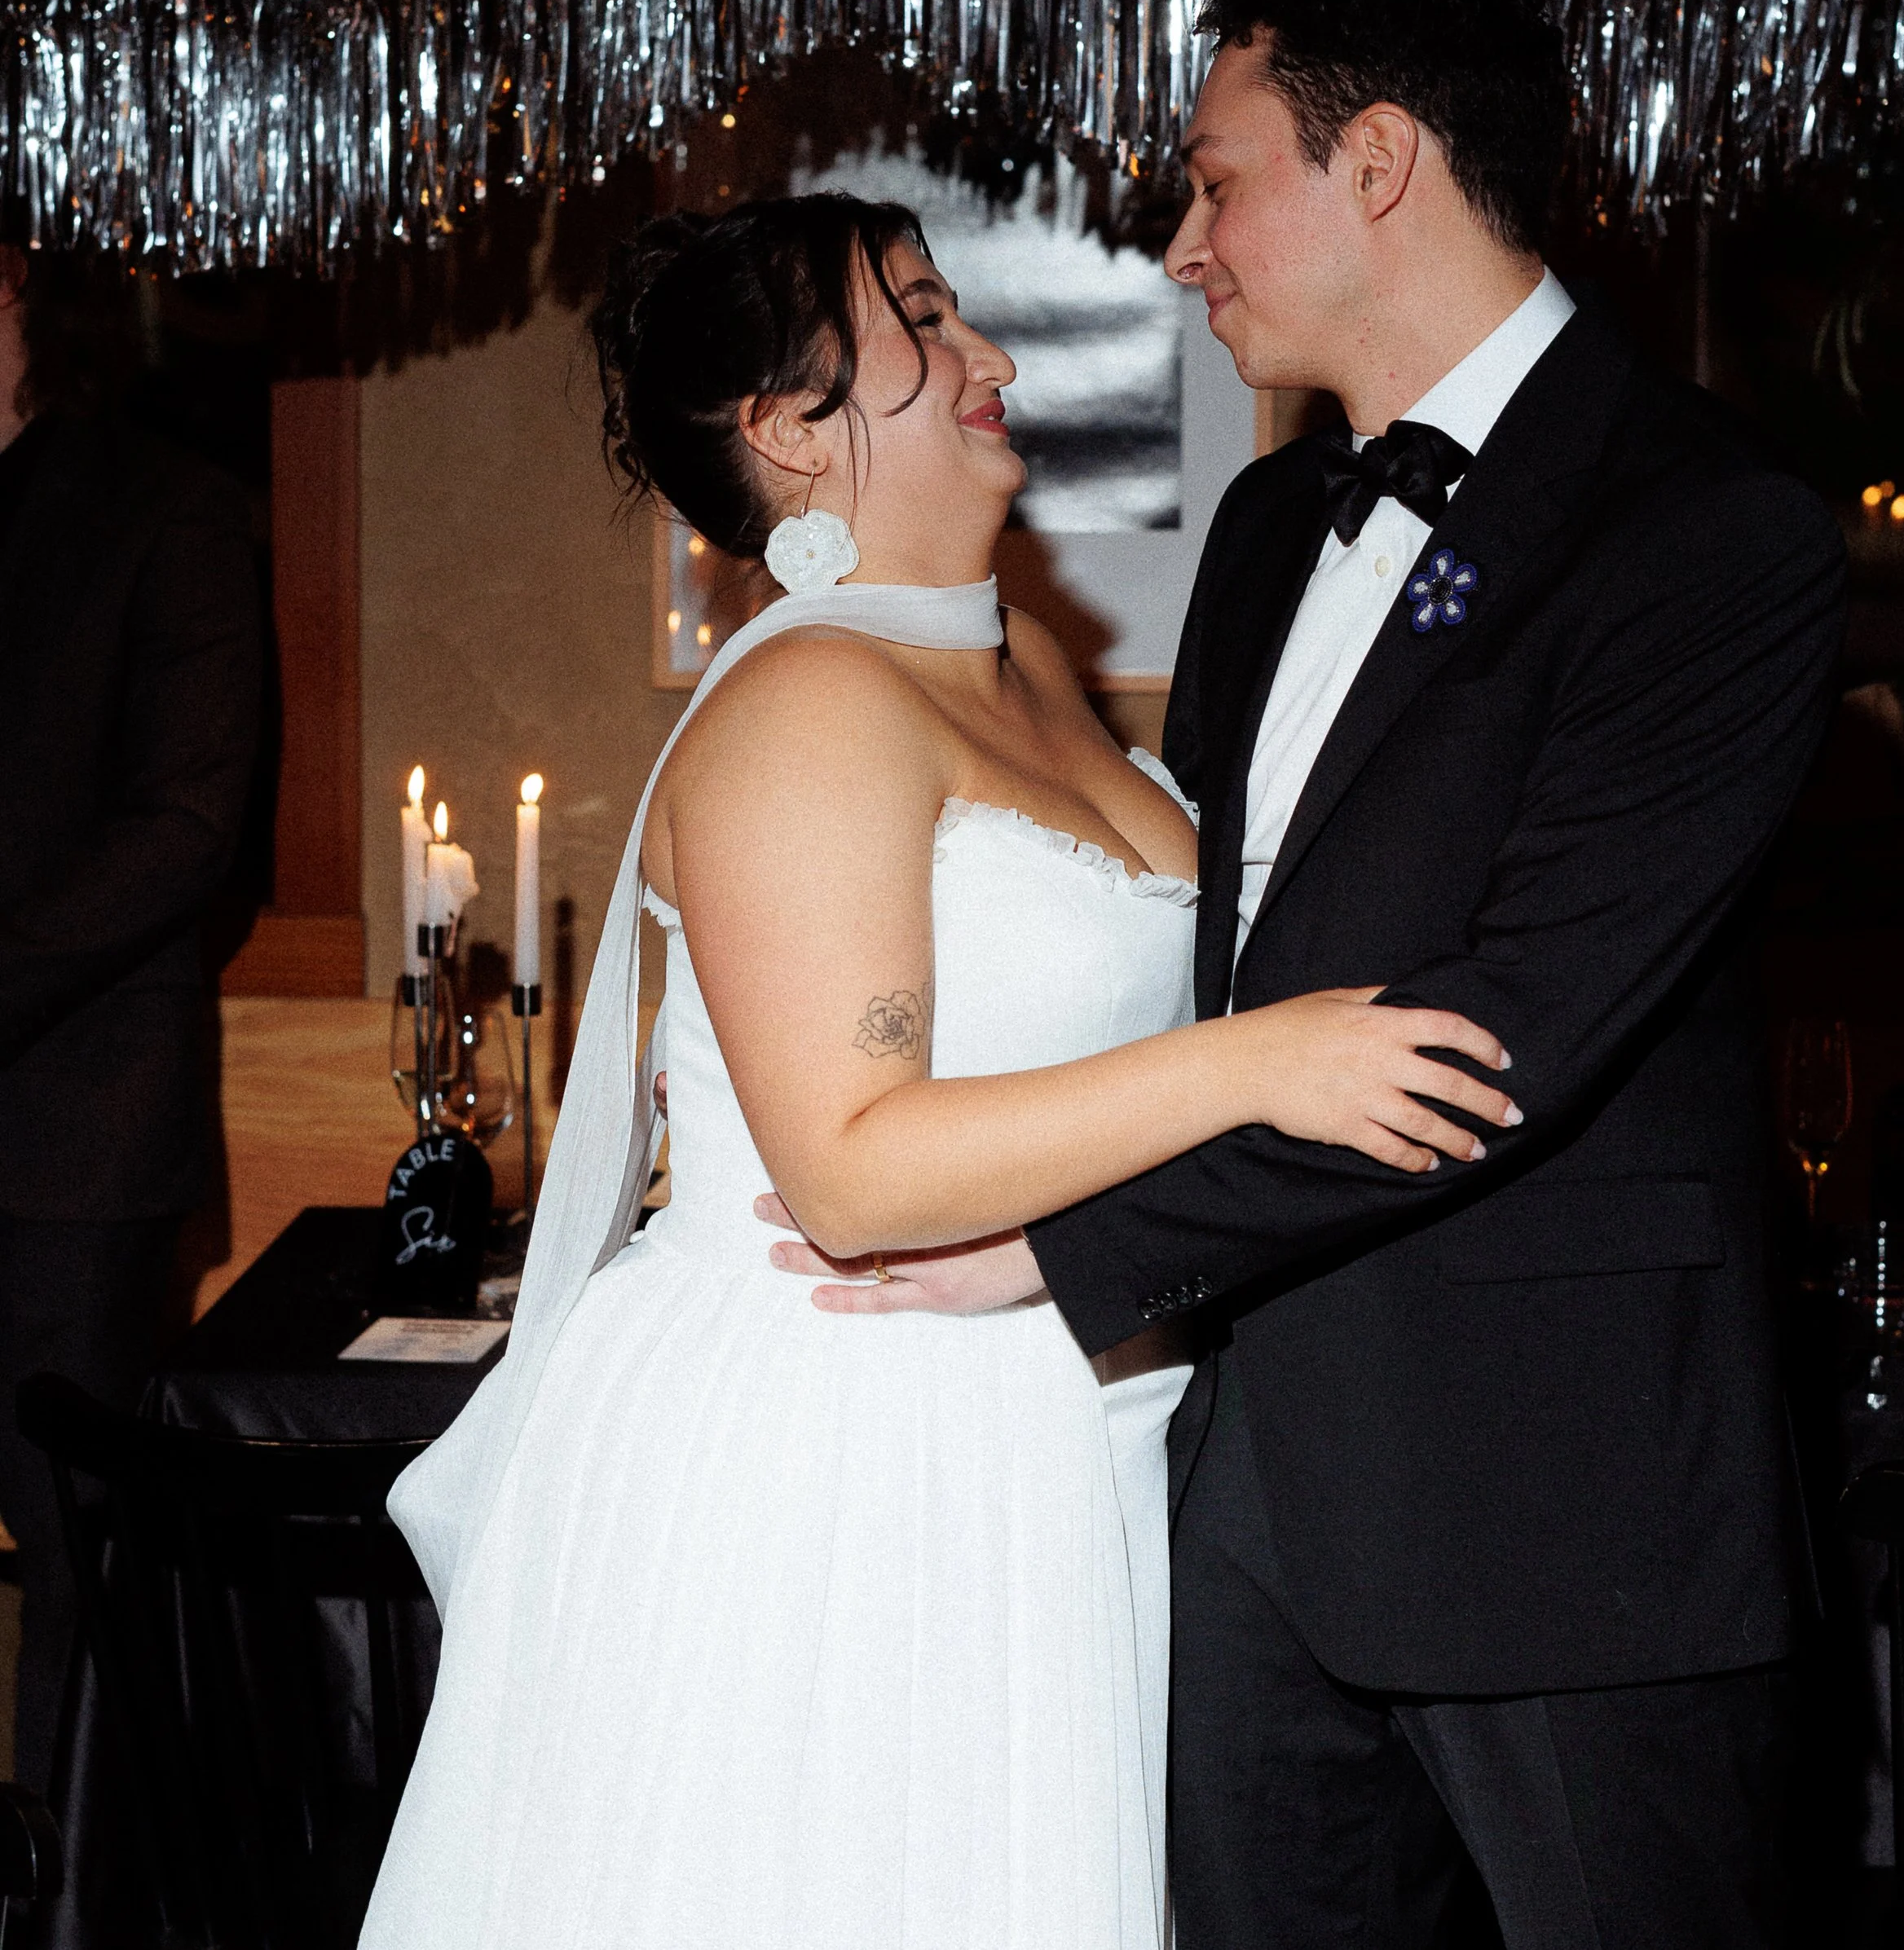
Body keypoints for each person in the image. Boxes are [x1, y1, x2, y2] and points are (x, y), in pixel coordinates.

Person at [769, 0, 1851, 1948]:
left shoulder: (1711, 528)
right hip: (1250, 1477)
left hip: (1567, 1502)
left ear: (1376, 164)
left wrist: (1067, 1244)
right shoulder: (1273, 526)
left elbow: (1501, 1035)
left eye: (1213, 178)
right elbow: (1217, 962)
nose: (1180, 244)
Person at [361, 192, 1513, 1950]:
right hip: (854, 1448)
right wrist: (1258, 1064)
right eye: (916, 319)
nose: (988, 356)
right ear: (786, 429)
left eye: (953, 308)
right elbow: (852, 1168)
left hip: (1065, 1413)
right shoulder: (807, 704)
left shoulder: (1020, 657)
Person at [0, 241, 262, 1798]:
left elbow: (184, 831)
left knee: (81, 1571)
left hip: (67, 1143)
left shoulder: (166, 509)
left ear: (16, 283)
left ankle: (67, 1902)